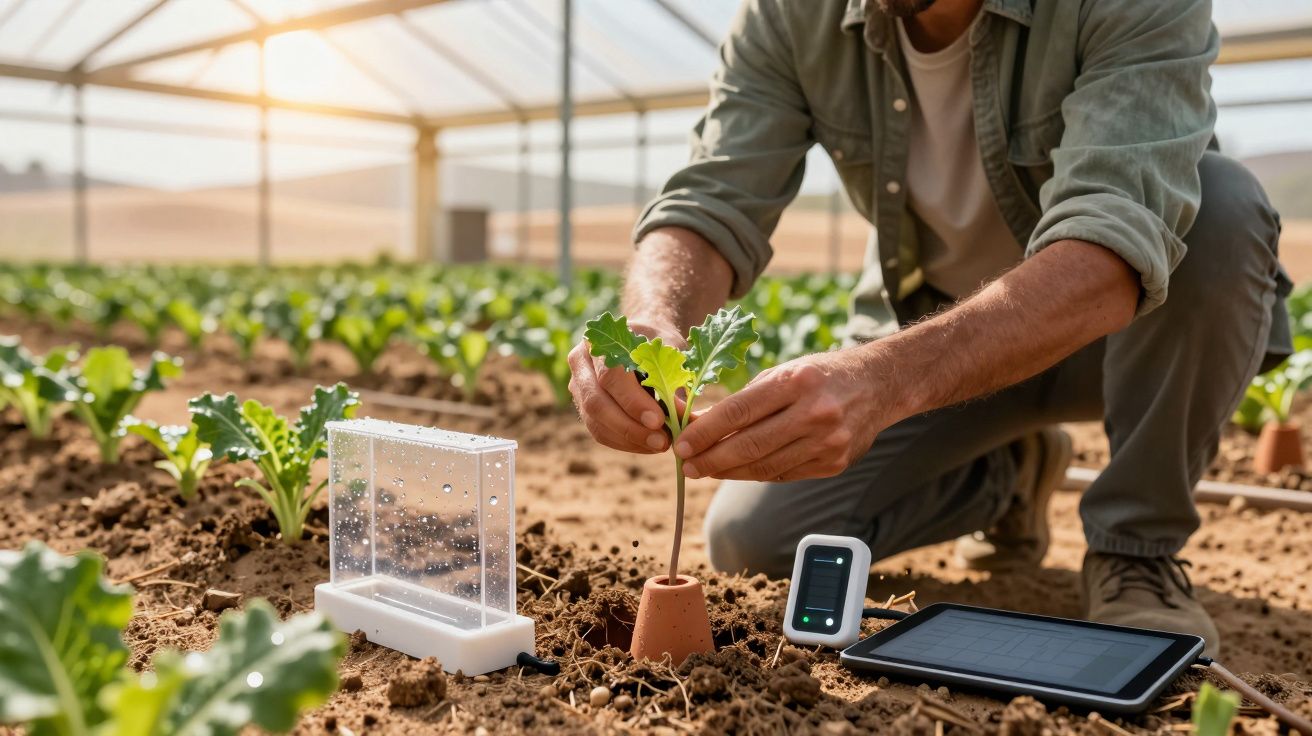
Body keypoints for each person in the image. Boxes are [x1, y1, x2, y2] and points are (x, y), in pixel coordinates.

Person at [566, 0, 1290, 657]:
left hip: (1130, 338)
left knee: (1222, 207)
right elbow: (713, 196)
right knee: (753, 540)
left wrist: (882, 380)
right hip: (944, 346)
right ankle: (1006, 475)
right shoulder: (790, 15)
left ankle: (1139, 550)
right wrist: (651, 318)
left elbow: (1111, 248)